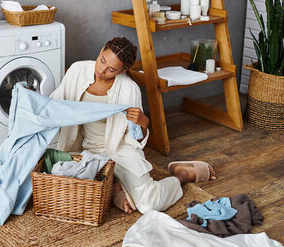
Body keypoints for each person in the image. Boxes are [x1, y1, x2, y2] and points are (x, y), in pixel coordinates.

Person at [50, 36, 215, 214]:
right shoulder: (77, 70)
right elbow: (53, 105)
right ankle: (115, 186)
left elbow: (134, 140)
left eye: (111, 69)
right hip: (82, 150)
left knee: (149, 204)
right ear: (101, 50)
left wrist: (144, 124)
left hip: (118, 151)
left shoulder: (129, 89)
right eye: (102, 60)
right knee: (66, 186)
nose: (101, 70)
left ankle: (182, 175)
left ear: (121, 71)